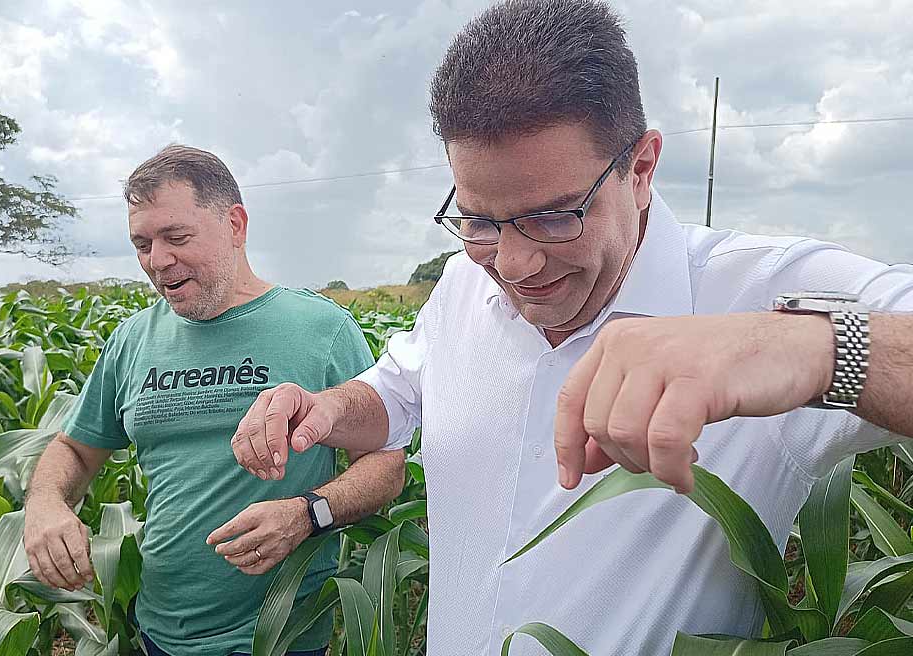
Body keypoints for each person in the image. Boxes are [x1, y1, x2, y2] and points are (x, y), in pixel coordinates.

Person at [230, 1, 913, 653]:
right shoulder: (467, 282)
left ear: (641, 168)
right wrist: (325, 409)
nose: (517, 264)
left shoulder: (758, 291)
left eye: (556, 215)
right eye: (480, 221)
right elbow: (399, 391)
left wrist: (813, 346)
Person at [24, 145, 405, 656]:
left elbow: (385, 463)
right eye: (142, 244)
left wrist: (306, 514)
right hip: (159, 631)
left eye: (176, 237)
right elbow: (75, 448)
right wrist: (45, 502)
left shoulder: (322, 331)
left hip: (278, 637)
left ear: (235, 225)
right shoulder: (133, 340)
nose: (158, 261)